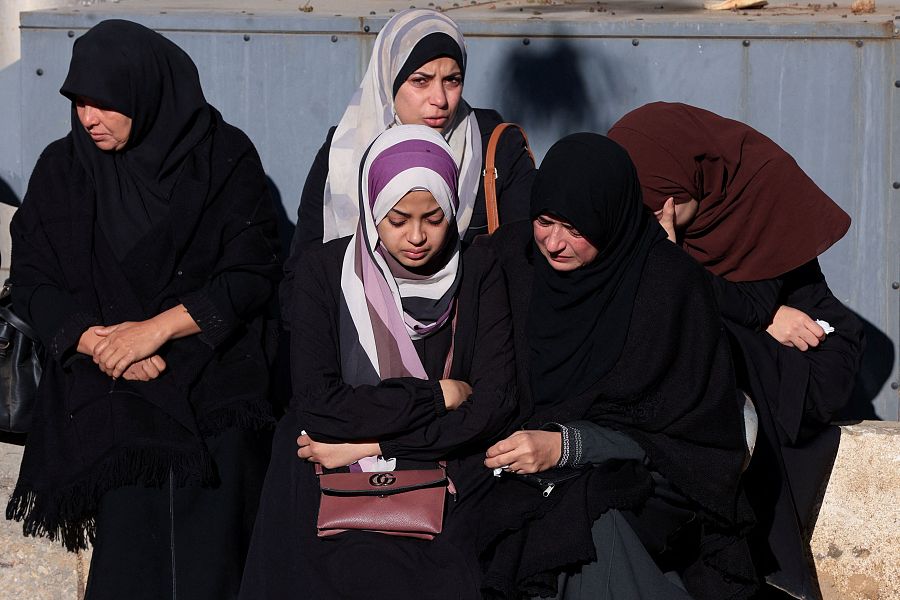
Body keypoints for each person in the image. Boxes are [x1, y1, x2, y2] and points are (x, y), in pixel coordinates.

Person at [5, 20, 281, 600]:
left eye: (103, 103)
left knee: (221, 493)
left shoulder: (222, 158)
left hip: (209, 362)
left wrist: (153, 333)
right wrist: (100, 345)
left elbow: (251, 271)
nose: (87, 118)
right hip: (101, 373)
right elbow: (32, 280)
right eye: (78, 102)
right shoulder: (65, 168)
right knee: (128, 496)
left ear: (146, 93)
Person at [240, 125, 517, 599]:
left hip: (442, 474)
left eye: (434, 218)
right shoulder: (324, 273)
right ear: (371, 210)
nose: (416, 237)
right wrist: (435, 396)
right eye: (397, 219)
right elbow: (317, 404)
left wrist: (367, 442)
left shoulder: (479, 269)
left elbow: (493, 405)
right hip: (331, 479)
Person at [478, 133, 757, 600]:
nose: (555, 242)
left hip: (651, 475)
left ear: (611, 217)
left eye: (577, 227)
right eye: (544, 221)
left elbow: (695, 438)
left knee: (588, 523)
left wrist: (571, 446)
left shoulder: (668, 286)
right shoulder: (512, 260)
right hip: (518, 465)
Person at [608, 101, 864, 598]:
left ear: (685, 188)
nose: (644, 226)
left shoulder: (758, 185)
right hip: (759, 334)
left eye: (654, 210)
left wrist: (670, 259)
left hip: (809, 351)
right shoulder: (661, 219)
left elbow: (749, 300)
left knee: (716, 344)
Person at [281, 8, 535, 318]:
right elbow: (303, 272)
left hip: (468, 343)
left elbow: (523, 264)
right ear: (389, 78)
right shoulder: (346, 150)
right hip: (360, 341)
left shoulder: (495, 148)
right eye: (420, 81)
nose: (439, 99)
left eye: (452, 80)